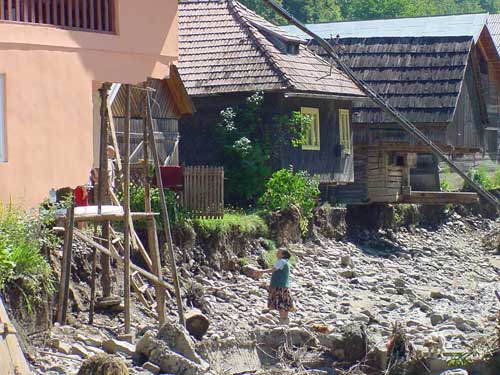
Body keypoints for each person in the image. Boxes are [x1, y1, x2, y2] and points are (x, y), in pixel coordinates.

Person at [256, 249, 295, 325]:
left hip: (278, 286)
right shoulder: (286, 262)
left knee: (280, 304)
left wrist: (260, 271)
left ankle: (283, 322)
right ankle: (285, 321)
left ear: (283, 255)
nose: (276, 253)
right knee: (285, 304)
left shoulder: (281, 261)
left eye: (278, 252)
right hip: (284, 286)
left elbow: (273, 270)